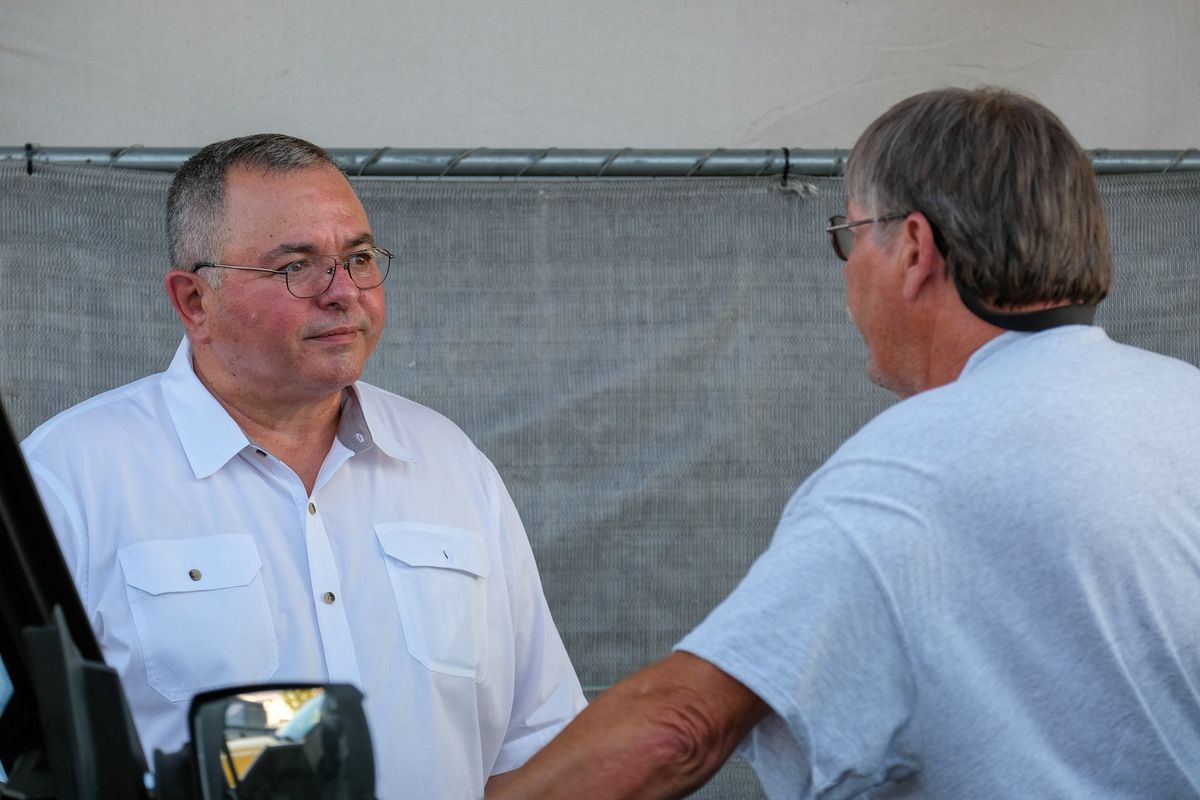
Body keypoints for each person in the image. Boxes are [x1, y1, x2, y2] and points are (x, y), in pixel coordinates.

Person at [486, 87, 1200, 799]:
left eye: (850, 235)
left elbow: (683, 727)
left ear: (915, 249)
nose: (849, 268)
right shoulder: (1184, 404)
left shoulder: (910, 468)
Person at [21, 134, 586, 799]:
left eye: (358, 257)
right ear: (194, 301)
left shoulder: (451, 466)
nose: (343, 291)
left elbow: (538, 745)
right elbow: (20, 763)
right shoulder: (71, 477)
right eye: (297, 265)